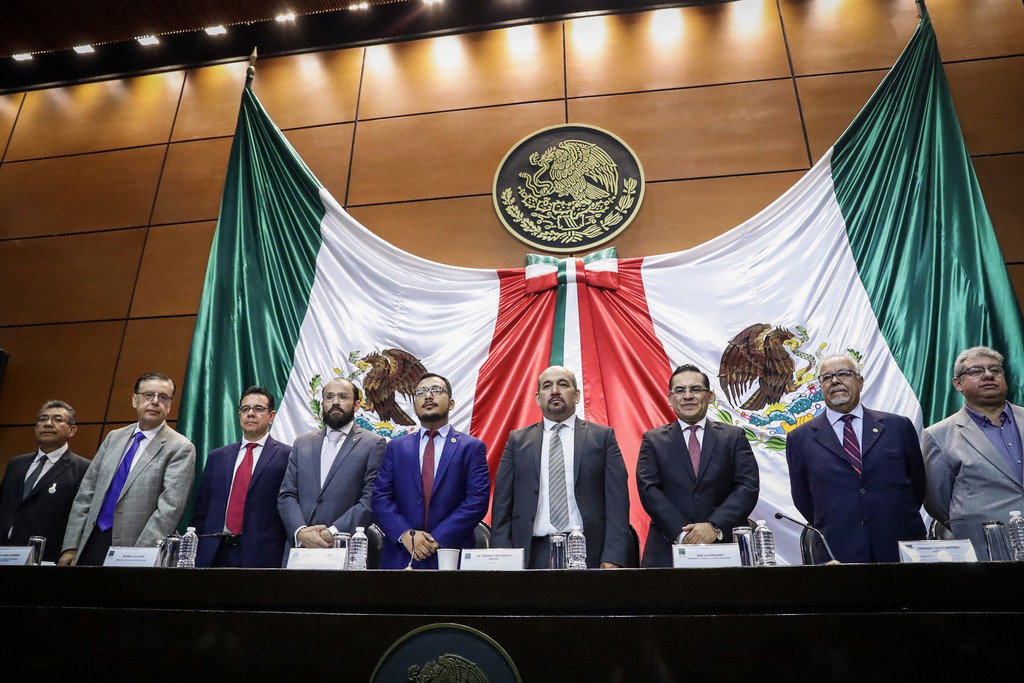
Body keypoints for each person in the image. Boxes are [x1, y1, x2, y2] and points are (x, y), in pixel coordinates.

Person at [786, 355, 926, 563]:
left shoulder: (898, 427)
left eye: (844, 374)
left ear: (860, 382)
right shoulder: (799, 438)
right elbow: (803, 499)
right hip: (839, 551)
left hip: (900, 546)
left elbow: (918, 486)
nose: (835, 381)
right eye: (827, 377)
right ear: (821, 387)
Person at [492, 365, 630, 568]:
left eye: (563, 384)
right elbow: (502, 504)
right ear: (538, 398)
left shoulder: (602, 437)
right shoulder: (517, 441)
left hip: (589, 552)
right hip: (531, 555)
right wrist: (503, 558)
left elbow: (618, 501)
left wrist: (613, 556)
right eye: (547, 386)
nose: (555, 391)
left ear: (577, 395)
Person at [59, 373, 196, 566]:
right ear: (134, 400)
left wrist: (138, 556)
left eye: (163, 397)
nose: (155, 402)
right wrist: (72, 545)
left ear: (169, 405)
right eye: (148, 395)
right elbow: (87, 493)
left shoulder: (180, 447)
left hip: (135, 549)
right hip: (90, 541)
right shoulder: (114, 437)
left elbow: (169, 510)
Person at [636, 364, 759, 567]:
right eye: (680, 390)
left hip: (725, 546)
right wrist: (683, 534)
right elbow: (648, 490)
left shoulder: (734, 437)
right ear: (670, 399)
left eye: (695, 389)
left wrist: (714, 526)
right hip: (667, 549)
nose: (688, 396)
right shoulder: (653, 440)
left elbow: (747, 487)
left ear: (709, 396)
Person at [371, 373, 490, 569]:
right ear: (414, 405)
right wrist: (406, 535)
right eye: (421, 392)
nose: (428, 396)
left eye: (436, 390)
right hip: (402, 556)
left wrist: (437, 538)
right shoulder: (396, 447)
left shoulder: (471, 447)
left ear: (451, 403)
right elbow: (380, 498)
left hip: (450, 554)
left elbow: (477, 501)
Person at [923, 346, 1024, 558]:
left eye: (995, 370)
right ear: (957, 384)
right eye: (976, 371)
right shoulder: (939, 435)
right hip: (984, 547)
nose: (988, 375)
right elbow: (937, 502)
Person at [277, 377, 385, 565]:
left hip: (346, 551)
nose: (335, 402)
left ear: (357, 404)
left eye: (343, 396)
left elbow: (370, 499)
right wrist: (301, 532)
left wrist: (333, 532)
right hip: (300, 550)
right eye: (329, 397)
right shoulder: (302, 443)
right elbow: (287, 494)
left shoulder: (373, 443)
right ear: (322, 404)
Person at [190, 386, 291, 568]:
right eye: (245, 409)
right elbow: (201, 511)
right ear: (239, 415)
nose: (250, 413)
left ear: (271, 416)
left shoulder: (287, 456)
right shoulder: (217, 457)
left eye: (258, 409)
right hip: (214, 553)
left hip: (263, 556)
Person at [0, 400, 90, 562]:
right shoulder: (16, 463)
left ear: (72, 430)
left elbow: (82, 515)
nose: (48, 424)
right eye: (43, 419)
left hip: (47, 558)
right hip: (5, 553)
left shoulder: (84, 468)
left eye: (57, 419)